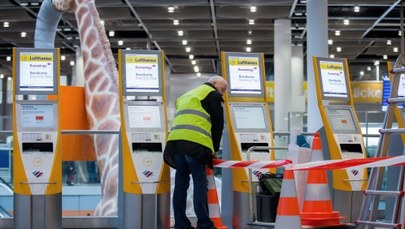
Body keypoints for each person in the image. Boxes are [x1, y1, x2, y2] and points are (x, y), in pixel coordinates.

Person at [164, 75, 227, 229]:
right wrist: (215, 149)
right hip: (195, 144)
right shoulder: (212, 94)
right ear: (213, 83)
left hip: (176, 144)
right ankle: (204, 224)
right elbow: (218, 125)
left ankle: (181, 224)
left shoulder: (186, 95)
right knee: (200, 183)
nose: (223, 93)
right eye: (223, 88)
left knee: (181, 184)